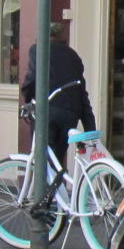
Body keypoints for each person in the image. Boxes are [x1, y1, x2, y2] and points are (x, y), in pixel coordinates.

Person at [21, 21, 97, 186]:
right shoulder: (74, 56)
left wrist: (27, 97)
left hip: (47, 111)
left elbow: (31, 79)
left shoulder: (38, 50)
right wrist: (90, 127)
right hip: (70, 113)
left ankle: (45, 202)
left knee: (43, 161)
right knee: (57, 159)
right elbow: (81, 92)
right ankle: (58, 201)